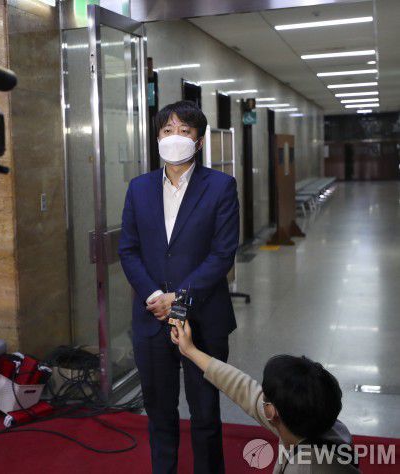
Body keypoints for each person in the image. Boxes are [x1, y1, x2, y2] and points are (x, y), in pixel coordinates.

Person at [118, 100, 239, 473]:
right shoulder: (139, 188)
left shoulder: (220, 186)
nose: (175, 137)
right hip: (152, 316)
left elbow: (222, 253)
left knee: (205, 412)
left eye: (184, 131)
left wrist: (180, 299)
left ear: (199, 142)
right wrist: (157, 297)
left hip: (203, 317)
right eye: (167, 130)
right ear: (157, 138)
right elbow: (128, 250)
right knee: (159, 410)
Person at [171, 320, 359, 473]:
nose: (261, 397)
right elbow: (242, 387)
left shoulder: (304, 468)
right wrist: (190, 350)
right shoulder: (311, 419)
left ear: (271, 412)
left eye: (266, 399)